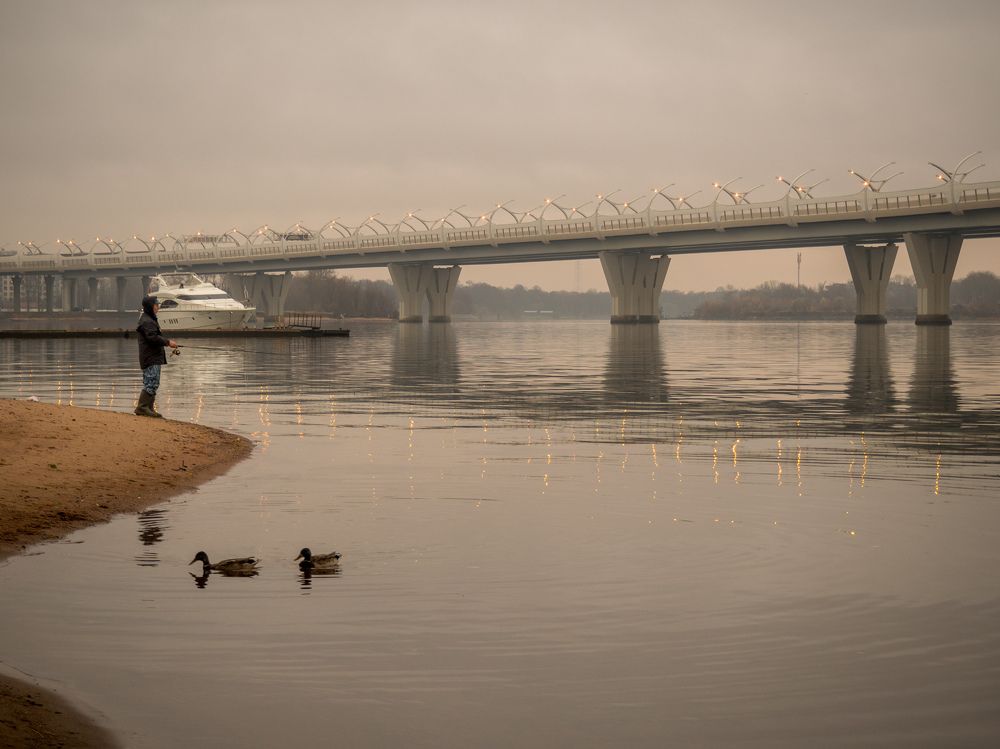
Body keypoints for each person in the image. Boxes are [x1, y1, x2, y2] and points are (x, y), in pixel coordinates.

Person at [135, 294, 178, 417]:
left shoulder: (149, 319)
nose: (158, 307)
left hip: (152, 356)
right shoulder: (147, 321)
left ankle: (149, 408)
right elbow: (152, 338)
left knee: (153, 382)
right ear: (150, 306)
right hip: (150, 357)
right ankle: (142, 408)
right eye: (156, 305)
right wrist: (168, 342)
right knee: (151, 382)